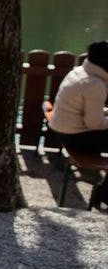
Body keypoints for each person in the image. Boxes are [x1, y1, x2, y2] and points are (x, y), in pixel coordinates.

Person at [49, 40, 108, 209]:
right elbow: (94, 123)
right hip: (76, 137)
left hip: (62, 130)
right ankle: (103, 196)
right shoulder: (95, 84)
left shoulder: (80, 71)